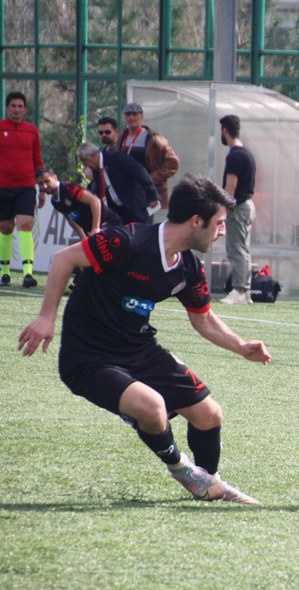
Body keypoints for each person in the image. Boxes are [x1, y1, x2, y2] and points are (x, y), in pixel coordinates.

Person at [18, 174, 271, 505]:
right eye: (220, 223)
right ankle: (185, 472)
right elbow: (64, 259)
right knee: (153, 408)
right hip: (88, 357)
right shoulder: (126, 241)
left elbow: (204, 319)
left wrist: (240, 346)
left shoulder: (189, 268)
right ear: (197, 221)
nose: (223, 231)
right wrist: (46, 317)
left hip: (140, 350)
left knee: (210, 414)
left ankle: (209, 485)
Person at [0, 91, 43, 288]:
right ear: (7, 108)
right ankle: (5, 272)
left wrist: (41, 187)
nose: (17, 110)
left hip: (26, 185)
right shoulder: (0, 128)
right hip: (3, 186)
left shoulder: (32, 131)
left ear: (25, 109)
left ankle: (27, 273)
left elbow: (37, 160)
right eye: (13, 106)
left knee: (26, 224)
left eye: (20, 106)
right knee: (5, 227)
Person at [218, 114, 257, 305]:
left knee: (236, 249)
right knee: (244, 248)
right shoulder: (247, 153)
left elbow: (230, 186)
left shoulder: (234, 155)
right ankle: (246, 291)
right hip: (247, 205)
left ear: (225, 130)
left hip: (238, 207)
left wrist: (222, 208)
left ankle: (239, 290)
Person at [77, 141, 158, 225]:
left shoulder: (115, 157)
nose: (85, 165)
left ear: (93, 156)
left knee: (142, 235)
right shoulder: (96, 171)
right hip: (118, 211)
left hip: (136, 206)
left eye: (85, 161)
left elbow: (140, 172)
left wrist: (152, 195)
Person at [118, 102, 179, 210]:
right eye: (128, 115)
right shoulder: (122, 137)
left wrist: (151, 178)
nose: (131, 117)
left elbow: (173, 163)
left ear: (141, 117)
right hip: (128, 192)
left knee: (148, 224)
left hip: (149, 193)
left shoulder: (154, 139)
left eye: (134, 114)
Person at [36, 165, 122, 239]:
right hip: (91, 232)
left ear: (55, 177)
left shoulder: (68, 188)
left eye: (47, 181)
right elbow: (71, 219)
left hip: (108, 223)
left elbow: (94, 201)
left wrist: (96, 228)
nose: (44, 186)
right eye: (40, 183)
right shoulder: (55, 202)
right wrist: (83, 237)